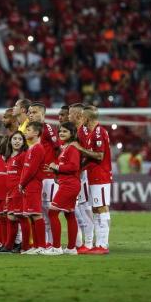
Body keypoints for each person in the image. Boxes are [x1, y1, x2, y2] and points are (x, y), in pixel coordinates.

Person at [71, 105, 112, 254]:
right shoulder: (91, 133)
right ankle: (98, 243)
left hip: (101, 175)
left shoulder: (99, 132)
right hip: (94, 176)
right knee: (96, 208)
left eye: (82, 116)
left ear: (87, 118)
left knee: (102, 208)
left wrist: (80, 148)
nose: (81, 118)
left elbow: (99, 156)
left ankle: (103, 245)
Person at [42, 122, 81, 255]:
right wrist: (54, 169)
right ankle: (71, 248)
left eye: (65, 131)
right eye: (60, 131)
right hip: (68, 183)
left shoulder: (72, 148)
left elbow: (74, 166)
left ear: (72, 133)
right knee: (69, 214)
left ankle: (57, 248)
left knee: (52, 213)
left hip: (70, 185)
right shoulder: (66, 148)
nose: (61, 133)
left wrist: (58, 167)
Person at [28, 102, 60, 247]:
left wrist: (56, 167)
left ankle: (53, 243)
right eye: (29, 112)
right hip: (37, 177)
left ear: (43, 114)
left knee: (49, 211)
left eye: (34, 112)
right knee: (40, 211)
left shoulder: (47, 128)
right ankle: (46, 242)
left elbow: (58, 148)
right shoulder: (31, 130)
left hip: (48, 177)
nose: (31, 114)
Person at [0, 131, 30, 253]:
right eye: (14, 138)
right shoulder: (9, 157)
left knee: (21, 217)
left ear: (23, 142)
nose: (17, 141)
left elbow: (25, 174)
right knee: (11, 217)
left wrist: (21, 188)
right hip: (9, 192)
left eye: (20, 139)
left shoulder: (23, 155)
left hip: (19, 191)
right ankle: (9, 245)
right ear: (10, 141)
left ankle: (25, 246)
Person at [68, 102, 94, 252]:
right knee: (78, 208)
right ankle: (84, 241)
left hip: (82, 175)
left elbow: (87, 155)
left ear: (78, 115)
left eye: (70, 113)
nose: (68, 116)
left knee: (84, 207)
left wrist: (78, 168)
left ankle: (89, 243)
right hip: (76, 175)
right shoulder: (75, 132)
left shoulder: (84, 132)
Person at [18, 121, 46, 254]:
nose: (26, 132)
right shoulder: (31, 148)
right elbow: (26, 168)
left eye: (28, 130)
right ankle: (35, 246)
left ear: (36, 132)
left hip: (33, 184)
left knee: (36, 215)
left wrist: (21, 183)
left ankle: (41, 245)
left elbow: (32, 170)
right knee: (31, 215)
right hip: (28, 184)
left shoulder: (38, 148)